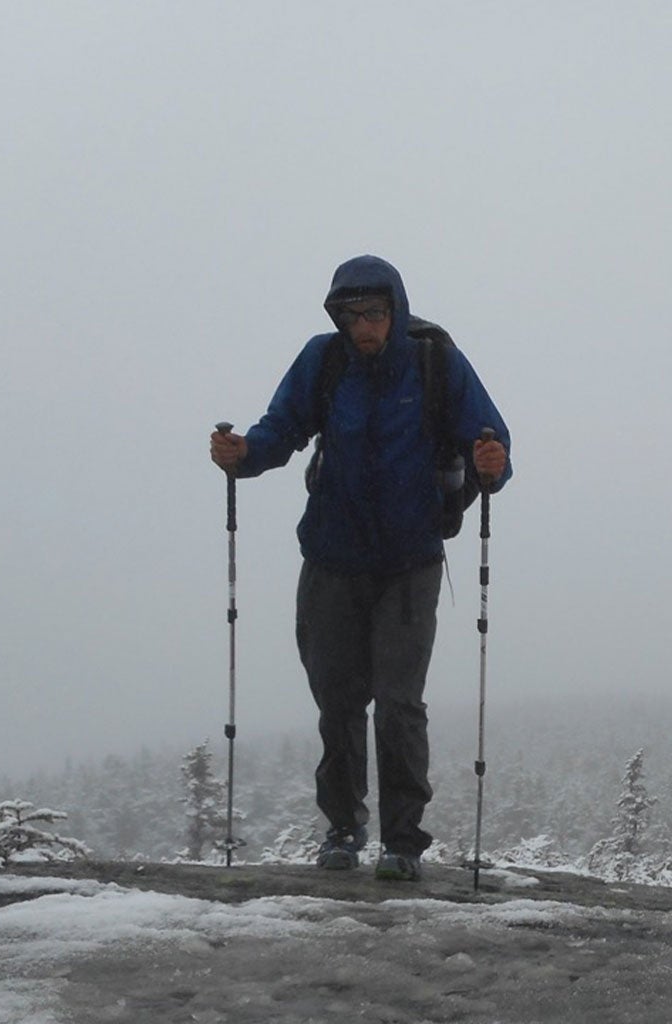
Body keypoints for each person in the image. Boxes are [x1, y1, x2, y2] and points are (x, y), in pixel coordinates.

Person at [209, 254, 511, 881]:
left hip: (410, 560)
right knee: (338, 700)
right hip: (332, 558)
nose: (364, 326)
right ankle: (343, 829)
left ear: (395, 311)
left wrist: (492, 464)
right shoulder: (325, 360)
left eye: (374, 313)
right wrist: (244, 455)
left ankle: (403, 841)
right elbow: (281, 429)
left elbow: (493, 442)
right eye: (352, 315)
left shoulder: (435, 363)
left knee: (399, 703)